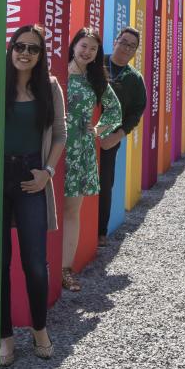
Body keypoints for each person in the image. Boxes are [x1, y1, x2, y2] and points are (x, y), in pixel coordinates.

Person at [0, 25, 66, 365]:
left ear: (41, 56)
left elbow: (59, 135)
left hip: (32, 177)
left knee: (35, 264)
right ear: (10, 48)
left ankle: (39, 328)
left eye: (33, 49)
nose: (25, 52)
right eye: (19, 46)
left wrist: (47, 173)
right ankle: (5, 335)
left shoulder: (49, 87)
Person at [60, 28, 124, 290]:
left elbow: (115, 109)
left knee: (71, 211)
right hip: (55, 147)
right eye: (83, 46)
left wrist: (98, 129)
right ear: (74, 45)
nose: (87, 52)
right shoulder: (57, 72)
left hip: (81, 151)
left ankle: (65, 269)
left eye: (93, 49)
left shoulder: (95, 79)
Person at [98, 26, 147, 239]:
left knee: (105, 183)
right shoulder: (96, 64)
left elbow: (136, 113)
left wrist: (116, 137)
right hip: (83, 135)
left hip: (109, 140)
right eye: (124, 42)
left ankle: (100, 233)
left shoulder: (135, 79)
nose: (127, 48)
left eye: (132, 46)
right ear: (116, 40)